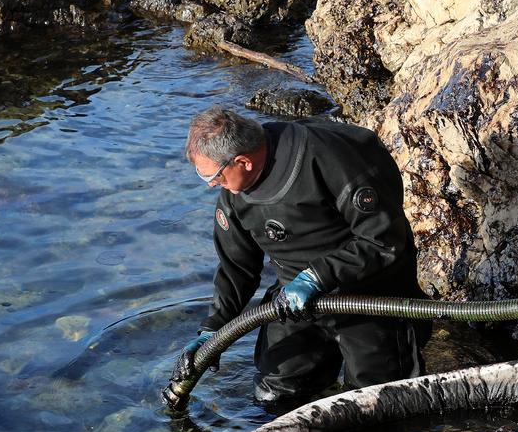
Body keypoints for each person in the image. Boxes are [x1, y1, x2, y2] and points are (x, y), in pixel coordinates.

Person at [175, 105, 429, 404]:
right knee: (273, 395)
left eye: (213, 177)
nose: (212, 185)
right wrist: (213, 330)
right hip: (293, 299)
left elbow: (385, 241)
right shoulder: (233, 196)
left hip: (368, 293)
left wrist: (317, 276)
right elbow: (237, 269)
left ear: (242, 161)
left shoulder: (327, 158)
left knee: (376, 402)